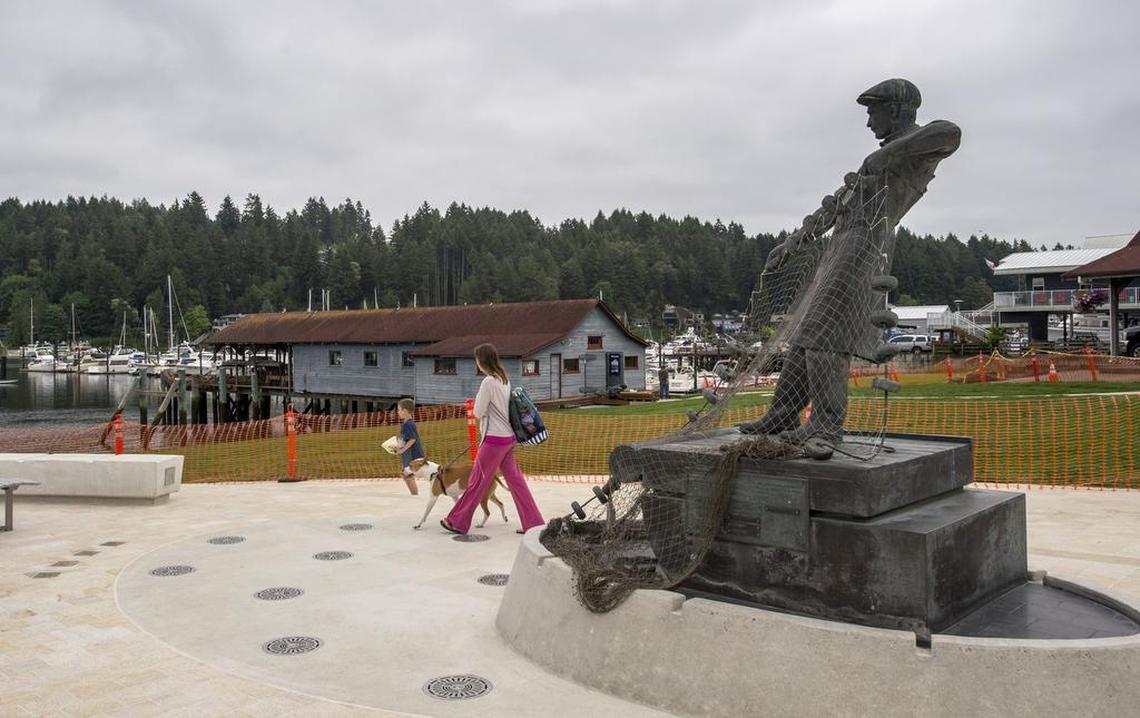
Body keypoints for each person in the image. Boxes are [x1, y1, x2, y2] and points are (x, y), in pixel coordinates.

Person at [739, 78, 960, 455]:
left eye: (873, 112)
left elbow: (950, 133)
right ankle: (784, 413)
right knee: (806, 332)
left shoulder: (917, 149)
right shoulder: (874, 163)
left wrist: (884, 156)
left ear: (895, 110)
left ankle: (825, 428)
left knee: (828, 335)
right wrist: (794, 243)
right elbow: (834, 207)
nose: (869, 122)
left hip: (867, 249)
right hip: (840, 246)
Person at [440, 343, 545, 535]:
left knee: (477, 481)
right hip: (508, 438)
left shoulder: (488, 382)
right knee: (516, 481)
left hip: (494, 440)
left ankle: (457, 521)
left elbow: (478, 412)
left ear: (481, 361)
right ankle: (534, 522)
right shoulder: (504, 379)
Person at [396, 398, 424, 495]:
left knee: (407, 474)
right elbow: (405, 438)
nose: (398, 412)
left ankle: (415, 495)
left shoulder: (409, 424)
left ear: (405, 411)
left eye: (399, 410)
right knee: (406, 474)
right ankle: (414, 494)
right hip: (407, 453)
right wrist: (398, 446)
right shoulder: (406, 424)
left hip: (412, 454)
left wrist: (402, 449)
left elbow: (412, 439)